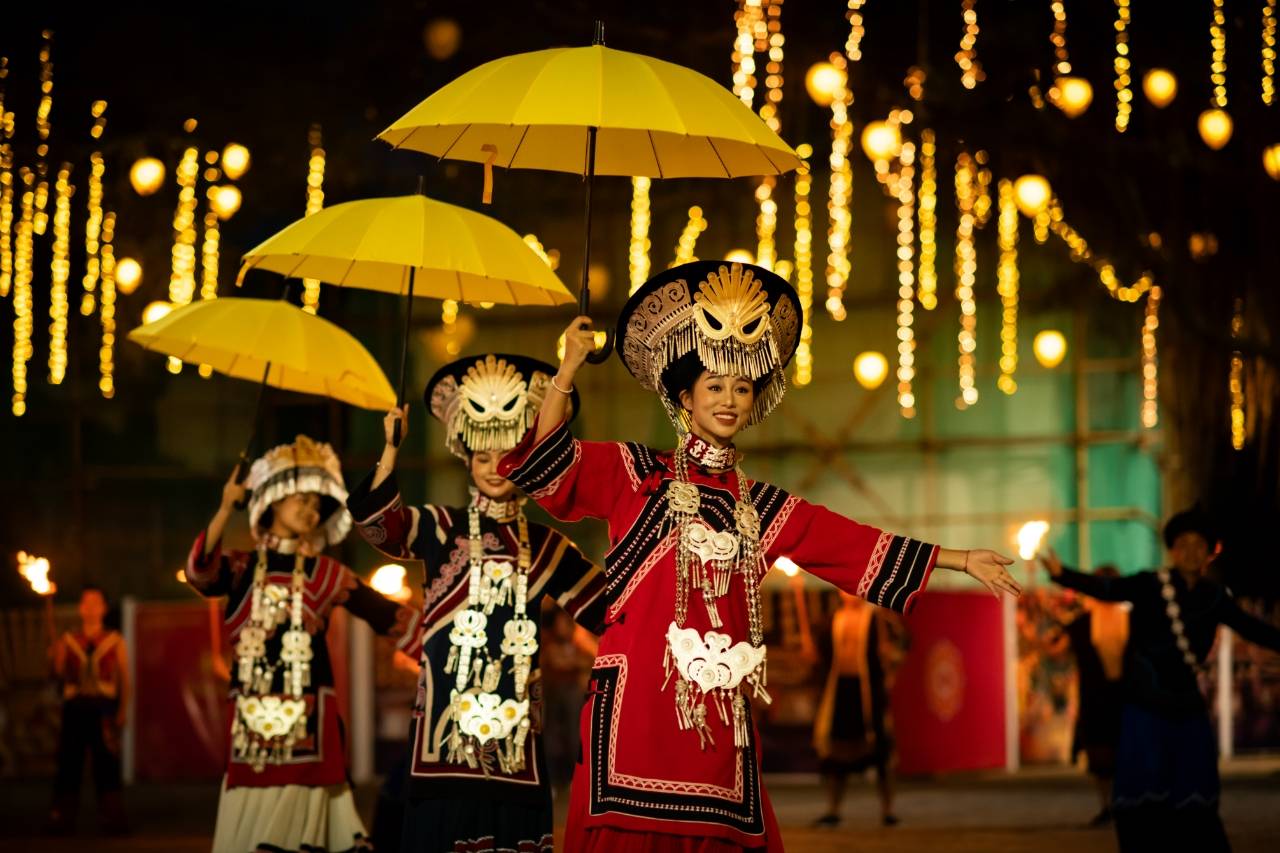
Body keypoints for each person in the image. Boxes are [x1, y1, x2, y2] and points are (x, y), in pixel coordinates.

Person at [499, 261, 1022, 851]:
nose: (728, 400)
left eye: (741, 388)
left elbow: (851, 544)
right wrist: (567, 368)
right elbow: (548, 467)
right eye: (714, 387)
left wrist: (958, 559)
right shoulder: (634, 472)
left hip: (717, 715)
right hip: (635, 707)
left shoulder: (766, 508)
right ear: (684, 396)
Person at [346, 353, 606, 853]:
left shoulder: (548, 546)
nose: (494, 468)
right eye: (483, 456)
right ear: (466, 459)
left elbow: (608, 611)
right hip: (442, 739)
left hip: (516, 746)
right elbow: (378, 527)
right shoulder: (438, 526)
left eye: (507, 455)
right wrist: (389, 451)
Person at [187, 435, 416, 853]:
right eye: (300, 499)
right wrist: (225, 506)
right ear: (273, 499)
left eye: (316, 504)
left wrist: (442, 653)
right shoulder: (240, 567)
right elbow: (201, 572)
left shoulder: (327, 573)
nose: (309, 510)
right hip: (251, 727)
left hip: (313, 724)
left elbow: (388, 617)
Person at [1041, 507, 1280, 853]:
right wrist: (1063, 574)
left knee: (1195, 795)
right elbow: (1109, 587)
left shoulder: (1214, 597)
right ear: (1172, 550)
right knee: (1142, 795)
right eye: (1183, 544)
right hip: (1144, 707)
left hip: (1187, 707)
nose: (1191, 551)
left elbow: (1252, 628)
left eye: (1200, 545)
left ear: (1210, 552)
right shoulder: (1150, 585)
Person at [810, 593, 902, 828]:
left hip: (868, 692)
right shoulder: (830, 620)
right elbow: (819, 657)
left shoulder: (880, 619)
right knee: (835, 754)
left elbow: (902, 648)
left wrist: (891, 654)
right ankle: (833, 809)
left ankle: (888, 809)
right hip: (839, 691)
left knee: (880, 751)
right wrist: (809, 654)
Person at [44, 586, 130, 836]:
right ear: (80, 608)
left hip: (104, 708)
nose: (91, 607)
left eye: (96, 602)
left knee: (107, 763)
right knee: (69, 762)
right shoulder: (68, 640)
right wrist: (54, 657)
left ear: (103, 608)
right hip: (75, 708)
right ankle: (62, 816)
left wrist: (123, 709)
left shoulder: (115, 640)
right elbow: (57, 675)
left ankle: (112, 816)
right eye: (86, 602)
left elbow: (125, 679)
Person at [1047, 565, 1127, 826]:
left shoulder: (1133, 620)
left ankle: (1123, 805)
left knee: (1125, 757)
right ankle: (1108, 807)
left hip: (1128, 701)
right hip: (1096, 701)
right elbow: (1054, 649)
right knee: (1101, 760)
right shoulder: (1082, 623)